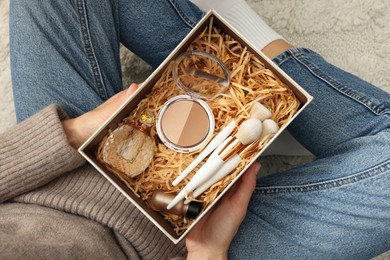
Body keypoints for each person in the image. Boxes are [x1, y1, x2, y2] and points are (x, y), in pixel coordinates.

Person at [3, 0, 389, 259]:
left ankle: (235, 53)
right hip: (176, 242)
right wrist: (210, 252)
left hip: (53, 178)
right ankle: (263, 59)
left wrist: (69, 133)